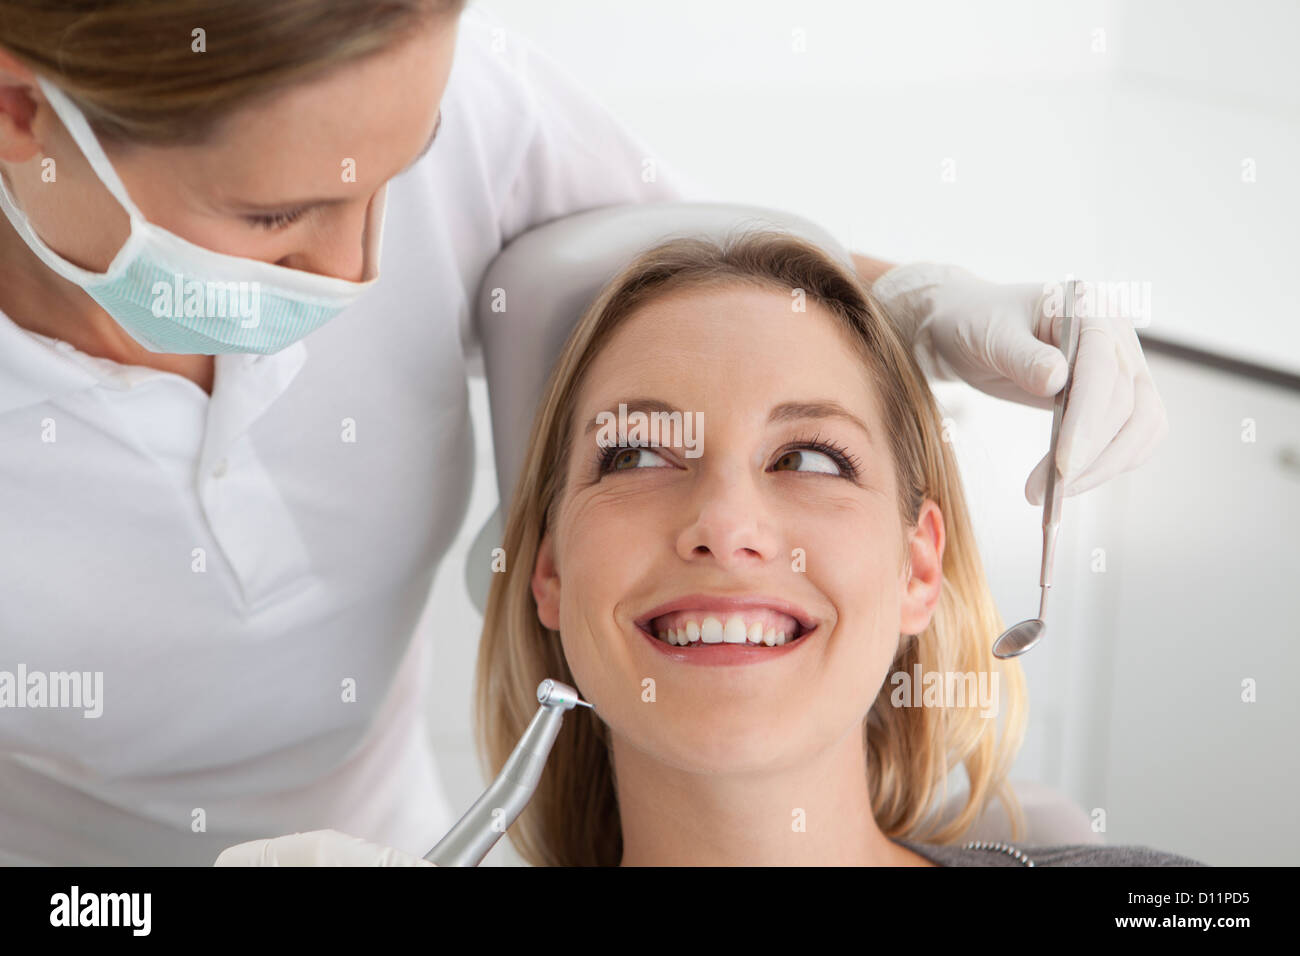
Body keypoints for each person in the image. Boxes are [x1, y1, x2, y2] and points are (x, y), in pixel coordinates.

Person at [0, 1, 1166, 866]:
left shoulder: (452, 101)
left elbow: (722, 289)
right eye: (276, 215)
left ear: (924, 560)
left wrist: (921, 293)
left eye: (808, 457)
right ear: (21, 113)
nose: (362, 269)